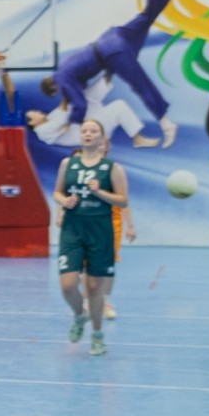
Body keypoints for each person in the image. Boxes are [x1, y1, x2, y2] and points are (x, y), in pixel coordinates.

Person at [39, 0, 189, 148]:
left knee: (141, 84)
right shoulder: (64, 67)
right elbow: (82, 79)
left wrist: (72, 123)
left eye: (58, 92)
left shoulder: (61, 79)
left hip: (111, 52)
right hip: (112, 37)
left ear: (54, 88)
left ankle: (166, 124)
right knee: (147, 15)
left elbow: (81, 104)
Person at [54, 119, 129, 356]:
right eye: (84, 130)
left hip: (100, 230)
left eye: (93, 131)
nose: (87, 134)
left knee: (95, 287)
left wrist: (99, 192)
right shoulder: (68, 164)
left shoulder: (112, 168)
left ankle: (97, 335)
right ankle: (80, 315)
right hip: (73, 229)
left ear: (102, 139)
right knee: (68, 286)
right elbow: (57, 192)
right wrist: (64, 201)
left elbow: (123, 201)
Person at [26, 74, 158, 149]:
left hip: (84, 121)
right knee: (119, 106)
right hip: (90, 132)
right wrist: (66, 88)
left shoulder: (49, 118)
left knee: (87, 98)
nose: (38, 111)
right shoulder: (42, 132)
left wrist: (71, 86)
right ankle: (138, 139)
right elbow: (64, 116)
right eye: (34, 113)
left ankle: (108, 74)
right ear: (32, 123)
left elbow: (69, 108)